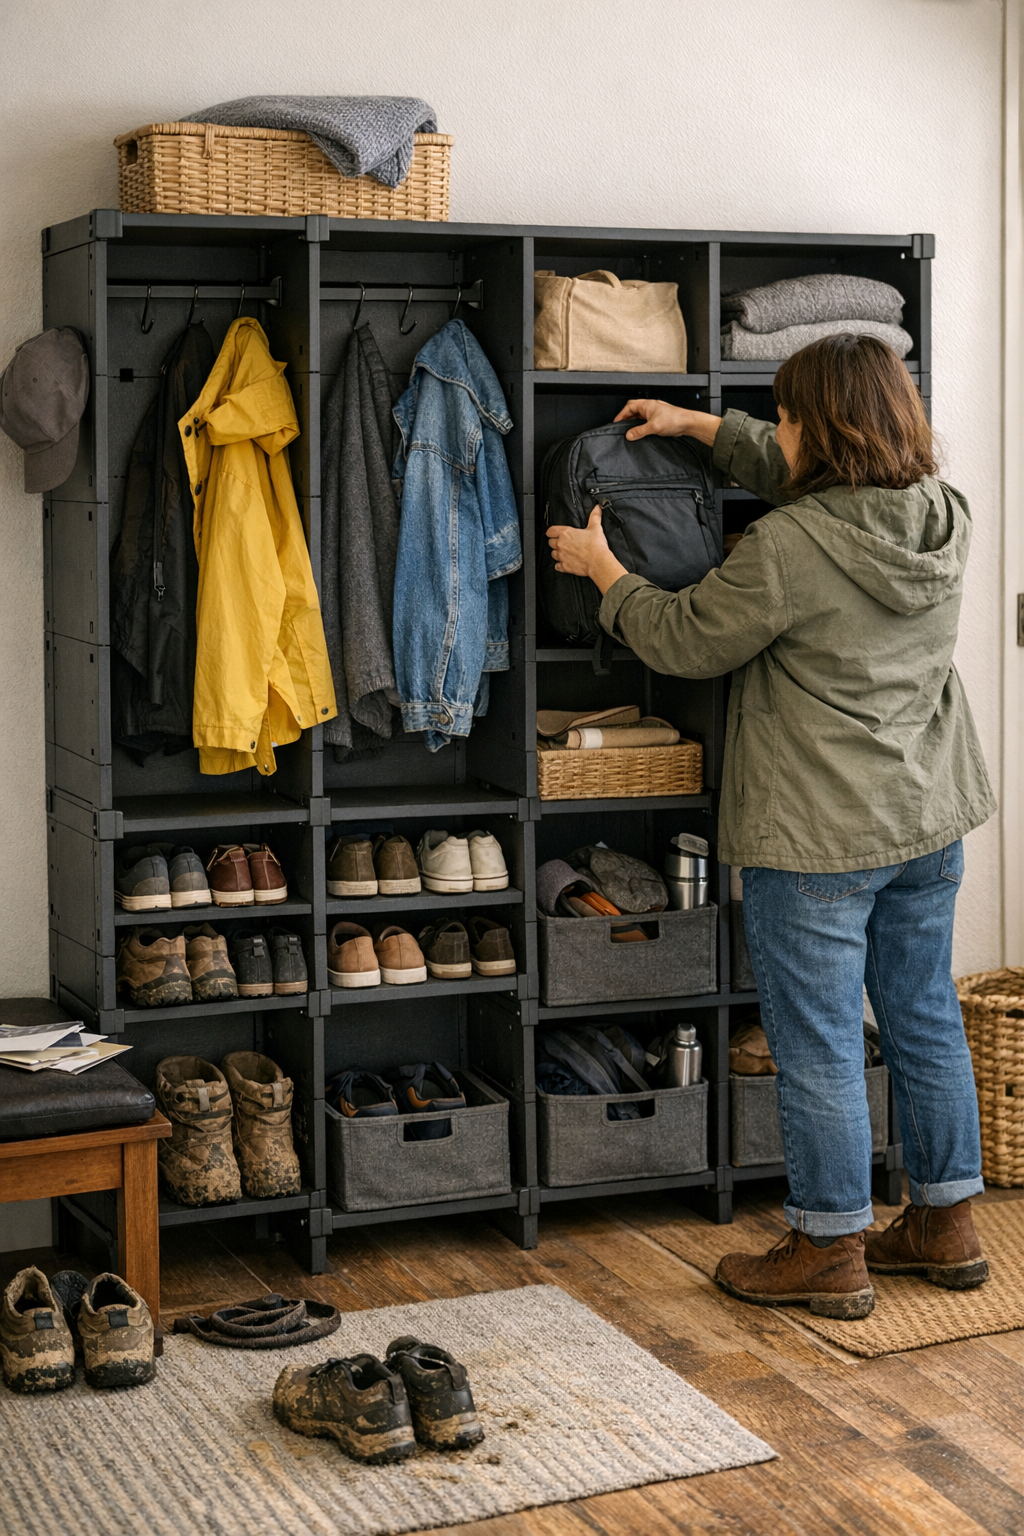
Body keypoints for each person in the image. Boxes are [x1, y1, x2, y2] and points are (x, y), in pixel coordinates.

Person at [547, 334, 994, 1320]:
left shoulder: (789, 549)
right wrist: (698, 426)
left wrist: (602, 569)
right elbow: (798, 474)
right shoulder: (938, 514)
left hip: (819, 832)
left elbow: (684, 636)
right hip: (926, 816)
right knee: (921, 1017)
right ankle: (946, 1222)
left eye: (787, 416)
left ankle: (829, 1244)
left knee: (820, 1039)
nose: (778, 430)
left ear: (822, 430)